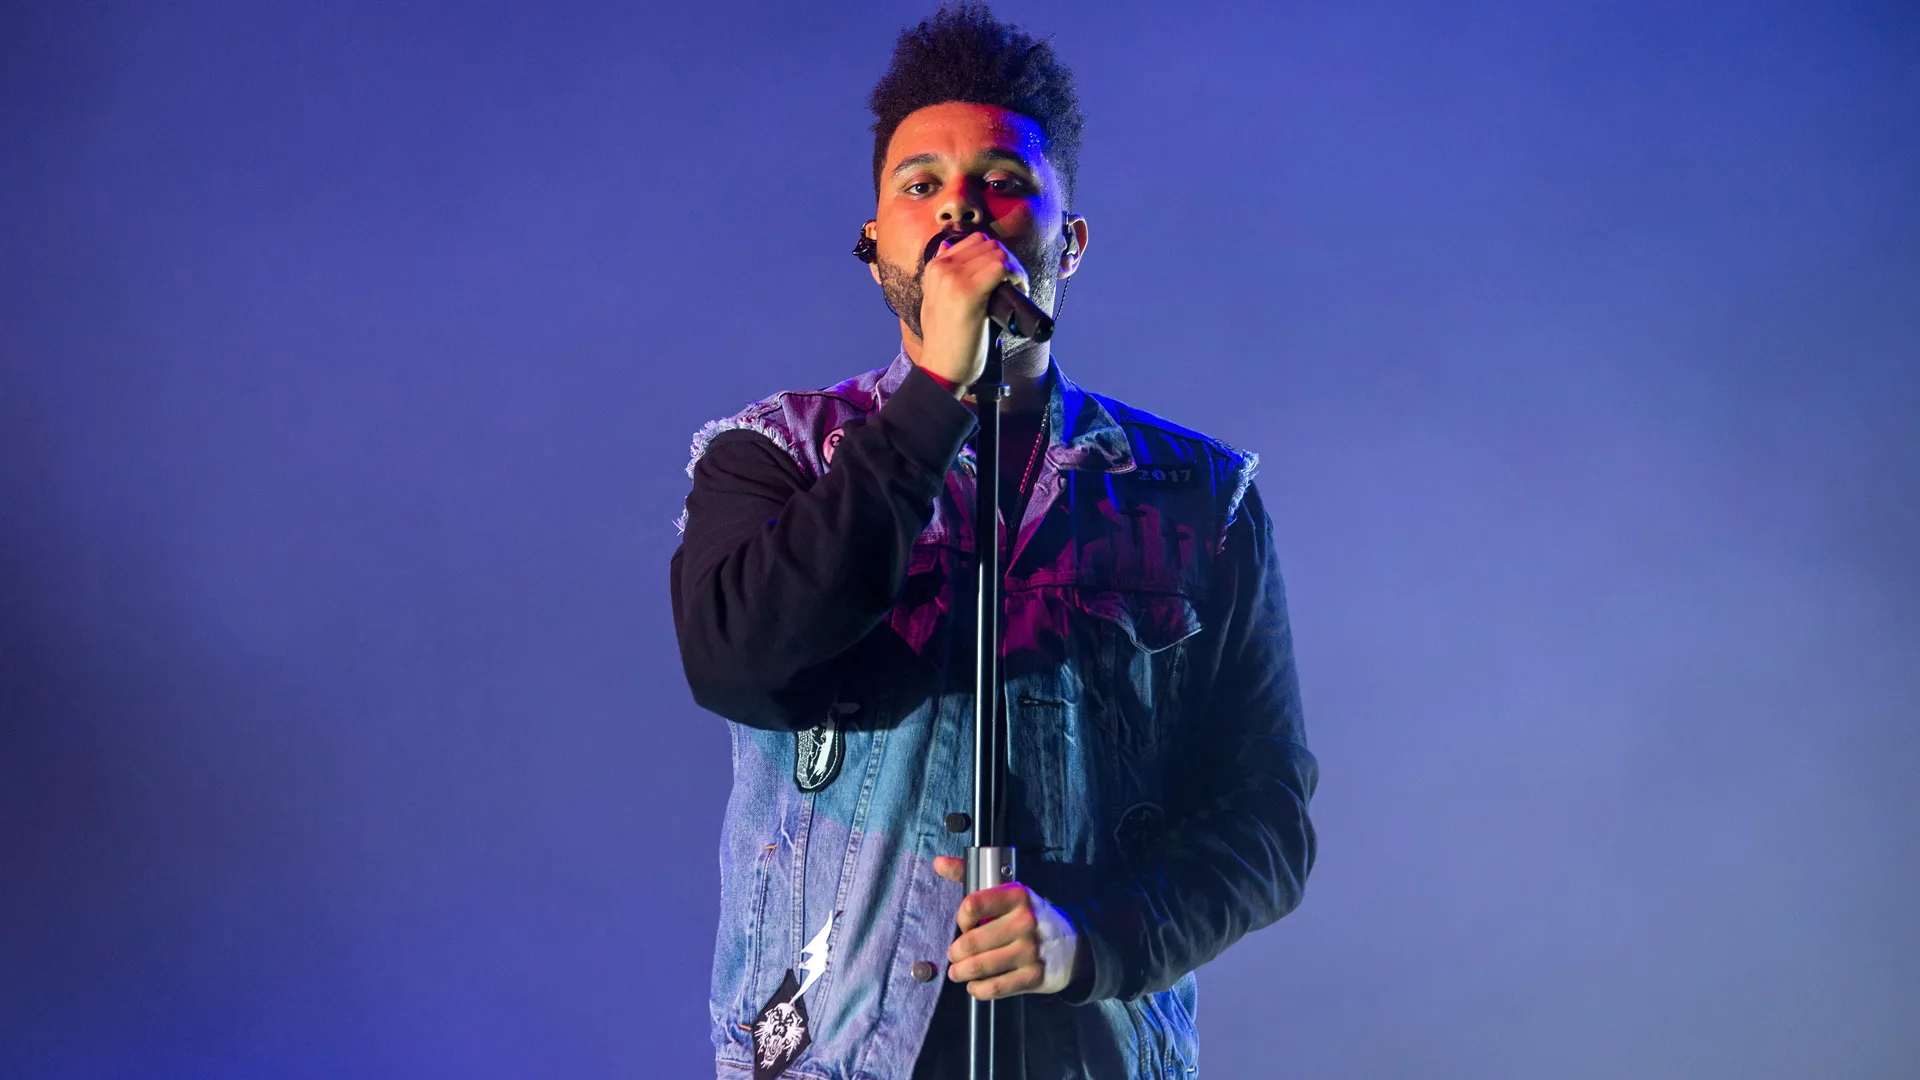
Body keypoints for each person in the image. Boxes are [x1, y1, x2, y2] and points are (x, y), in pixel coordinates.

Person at [669, 5, 1317, 1077]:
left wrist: (1093, 940)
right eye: (920, 185)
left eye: (1004, 183)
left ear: (1071, 238)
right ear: (873, 241)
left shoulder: (1201, 497)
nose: (961, 211)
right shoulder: (771, 454)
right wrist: (934, 394)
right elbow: (739, 659)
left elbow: (1267, 822)